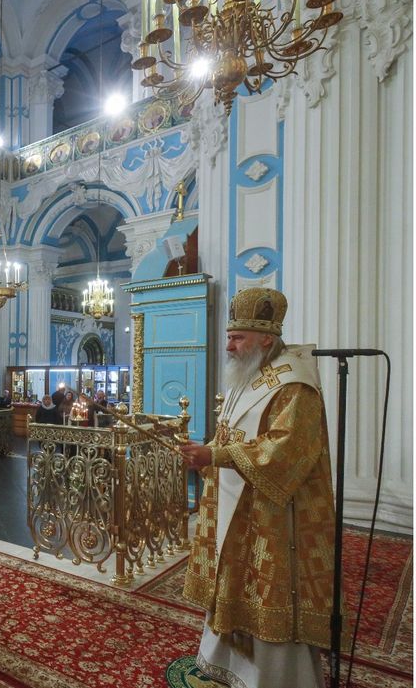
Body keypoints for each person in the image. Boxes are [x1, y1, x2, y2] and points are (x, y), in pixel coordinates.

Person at [179, 288, 336, 688]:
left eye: (237, 338)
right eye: (230, 337)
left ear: (266, 338)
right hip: (237, 500)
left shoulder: (294, 383)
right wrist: (205, 452)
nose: (229, 346)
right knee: (233, 578)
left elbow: (286, 449)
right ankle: (225, 661)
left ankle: (274, 677)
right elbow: (230, 433)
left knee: (266, 586)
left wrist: (216, 455)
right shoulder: (248, 376)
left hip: (273, 513)